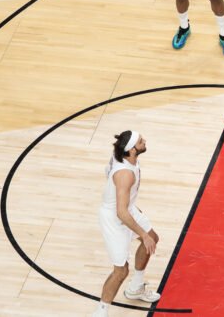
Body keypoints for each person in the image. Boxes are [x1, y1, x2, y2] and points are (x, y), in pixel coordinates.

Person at [93, 131, 161, 316]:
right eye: (140, 141)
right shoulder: (125, 174)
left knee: (153, 238)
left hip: (126, 208)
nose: (144, 141)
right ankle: (100, 312)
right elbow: (121, 213)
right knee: (121, 270)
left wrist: (130, 205)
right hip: (114, 218)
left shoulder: (125, 158)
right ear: (131, 150)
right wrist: (143, 234)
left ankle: (135, 288)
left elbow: (107, 172)